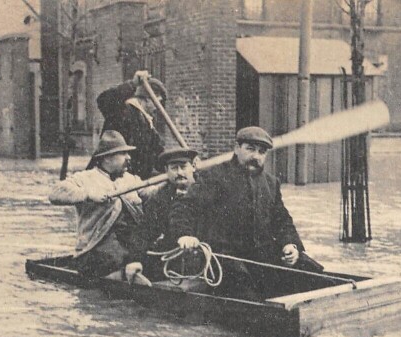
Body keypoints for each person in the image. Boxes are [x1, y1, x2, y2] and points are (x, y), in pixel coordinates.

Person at [170, 127, 319, 300]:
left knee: (311, 272)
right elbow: (184, 207)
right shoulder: (213, 176)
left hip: (261, 256)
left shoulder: (271, 183)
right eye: (250, 149)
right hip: (223, 258)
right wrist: (184, 235)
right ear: (236, 148)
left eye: (262, 152)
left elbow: (282, 220)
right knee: (247, 292)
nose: (256, 156)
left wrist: (291, 245)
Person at [48, 130, 149, 279]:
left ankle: (130, 270)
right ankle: (122, 275)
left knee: (151, 253)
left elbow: (150, 192)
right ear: (107, 158)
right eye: (123, 154)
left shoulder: (130, 179)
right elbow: (55, 193)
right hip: (95, 248)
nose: (129, 158)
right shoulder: (85, 178)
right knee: (115, 257)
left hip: (129, 242)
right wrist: (87, 194)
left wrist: (174, 182)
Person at [123, 147, 199, 285]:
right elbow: (145, 231)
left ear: (193, 167)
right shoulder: (160, 198)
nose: (179, 173)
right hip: (174, 258)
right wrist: (134, 259)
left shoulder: (208, 190)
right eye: (174, 168)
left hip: (207, 256)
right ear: (166, 171)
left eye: (183, 167)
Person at [97, 70, 166, 180]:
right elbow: (103, 100)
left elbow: (158, 152)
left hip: (134, 180)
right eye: (157, 103)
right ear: (147, 99)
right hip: (113, 178)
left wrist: (178, 162)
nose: (158, 108)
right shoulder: (124, 111)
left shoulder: (147, 122)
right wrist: (132, 84)